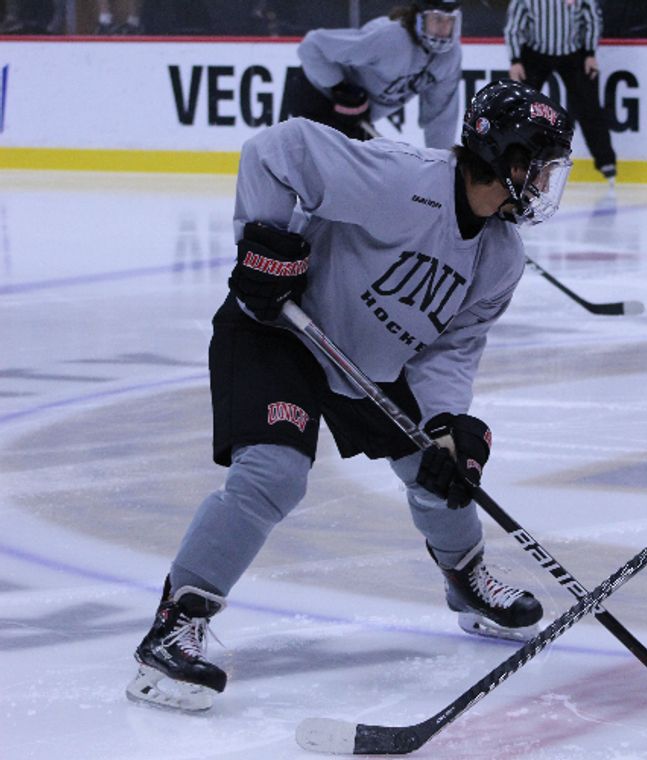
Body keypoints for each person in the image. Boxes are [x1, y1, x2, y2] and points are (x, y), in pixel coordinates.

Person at [124, 79, 575, 712]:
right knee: (274, 473)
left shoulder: (501, 256)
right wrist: (267, 246)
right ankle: (177, 624)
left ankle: (464, 576)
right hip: (280, 329)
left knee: (438, 469)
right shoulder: (402, 180)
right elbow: (276, 151)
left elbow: (450, 348)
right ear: (507, 156)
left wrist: (448, 423)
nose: (547, 182)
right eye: (543, 165)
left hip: (370, 361)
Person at [281, 0, 462, 145]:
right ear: (420, 19)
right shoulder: (391, 38)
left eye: (449, 21)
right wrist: (339, 86)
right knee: (333, 174)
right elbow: (312, 46)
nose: (442, 28)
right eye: (437, 19)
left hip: (355, 116)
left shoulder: (449, 59)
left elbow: (440, 117)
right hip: (315, 95)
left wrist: (441, 165)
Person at [505, 0, 617, 186]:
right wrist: (516, 59)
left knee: (589, 107)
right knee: (520, 109)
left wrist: (590, 53)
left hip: (573, 53)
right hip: (535, 52)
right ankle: (513, 159)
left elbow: (591, 18)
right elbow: (514, 25)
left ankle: (605, 160)